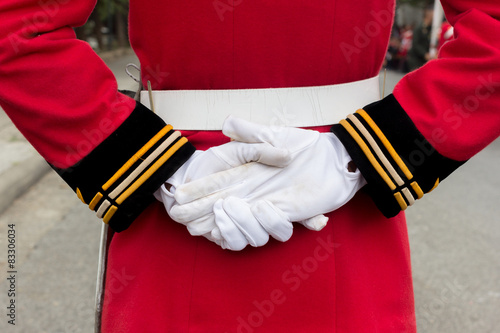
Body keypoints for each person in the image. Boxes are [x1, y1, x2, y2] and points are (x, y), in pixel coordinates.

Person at [1, 1, 499, 332]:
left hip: (179, 205)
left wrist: (160, 168)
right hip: (341, 213)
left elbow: (16, 28)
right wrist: (355, 157)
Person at [407, 5, 434, 71]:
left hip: (424, 60)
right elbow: (415, 44)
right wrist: (424, 54)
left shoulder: (431, 29)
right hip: (416, 59)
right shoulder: (418, 28)